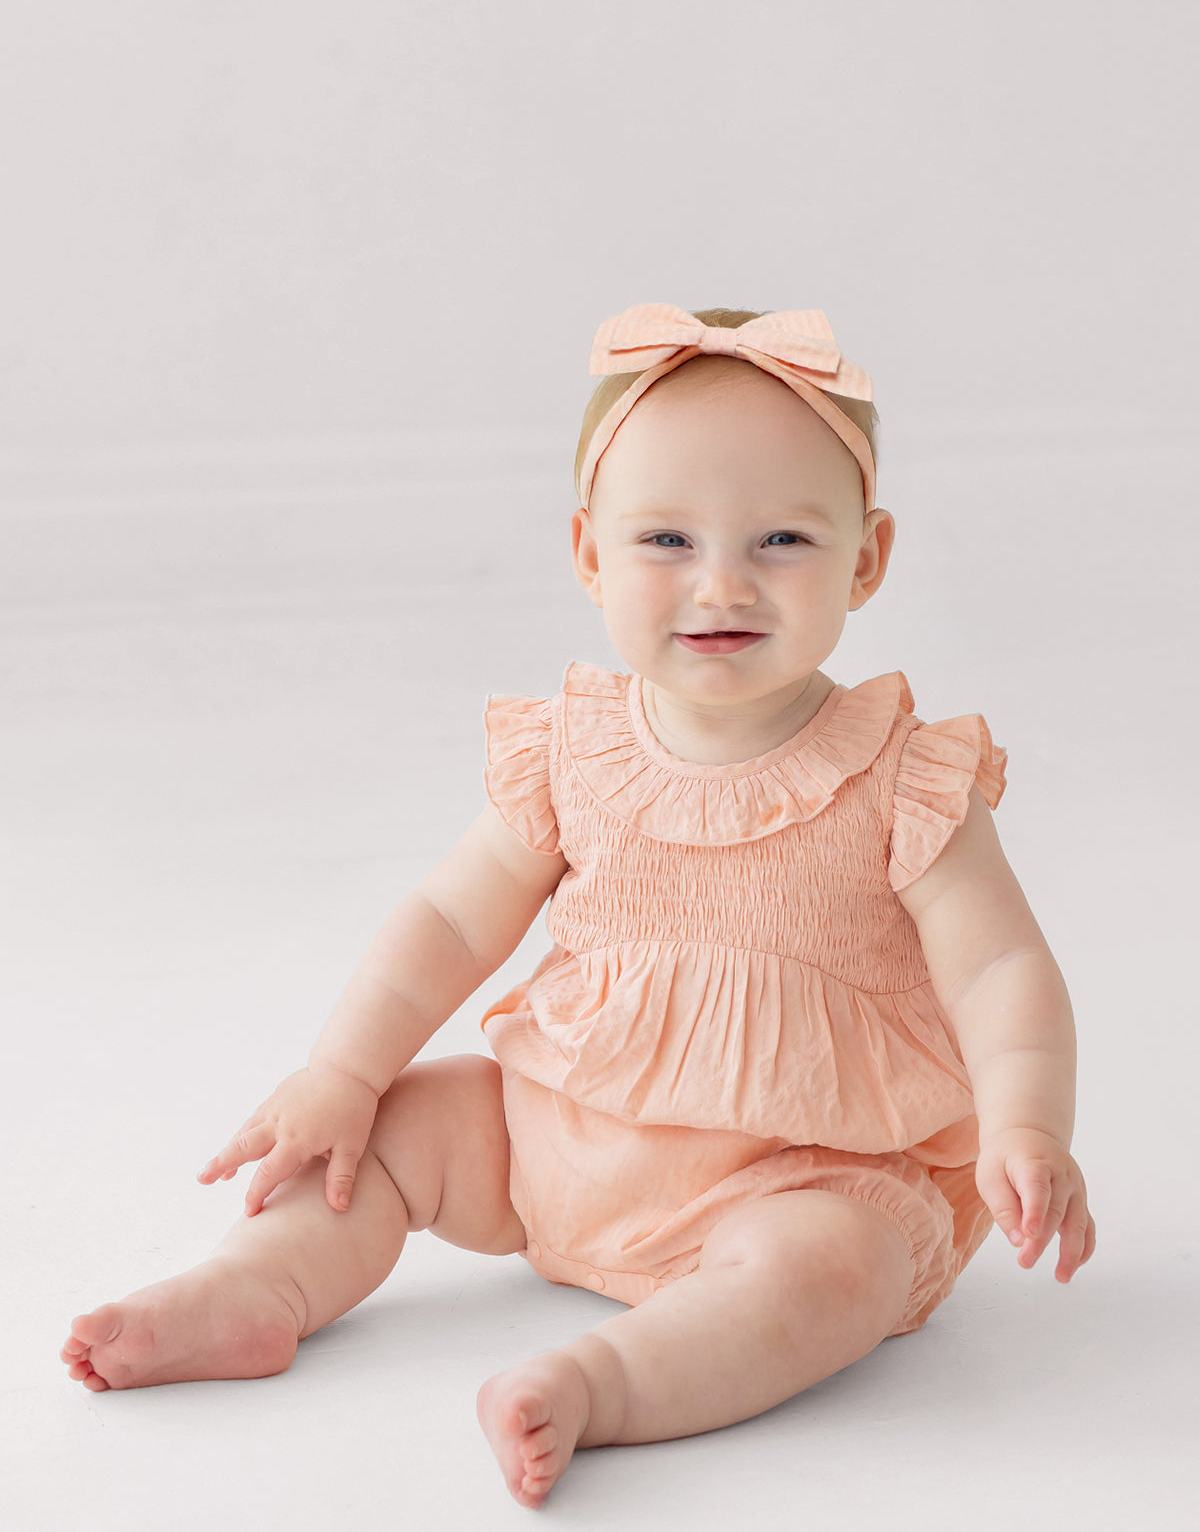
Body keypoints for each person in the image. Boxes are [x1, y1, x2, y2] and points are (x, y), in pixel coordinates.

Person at [60, 301, 1096, 1510]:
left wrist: (1028, 1122)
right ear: (589, 554)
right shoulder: (575, 750)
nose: (721, 581)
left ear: (866, 559)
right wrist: (342, 1070)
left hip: (796, 1176)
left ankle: (605, 1381)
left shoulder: (903, 776)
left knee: (838, 1268)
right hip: (555, 1137)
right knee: (390, 1128)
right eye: (665, 538)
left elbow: (997, 967)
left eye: (781, 539)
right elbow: (452, 921)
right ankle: (257, 1286)